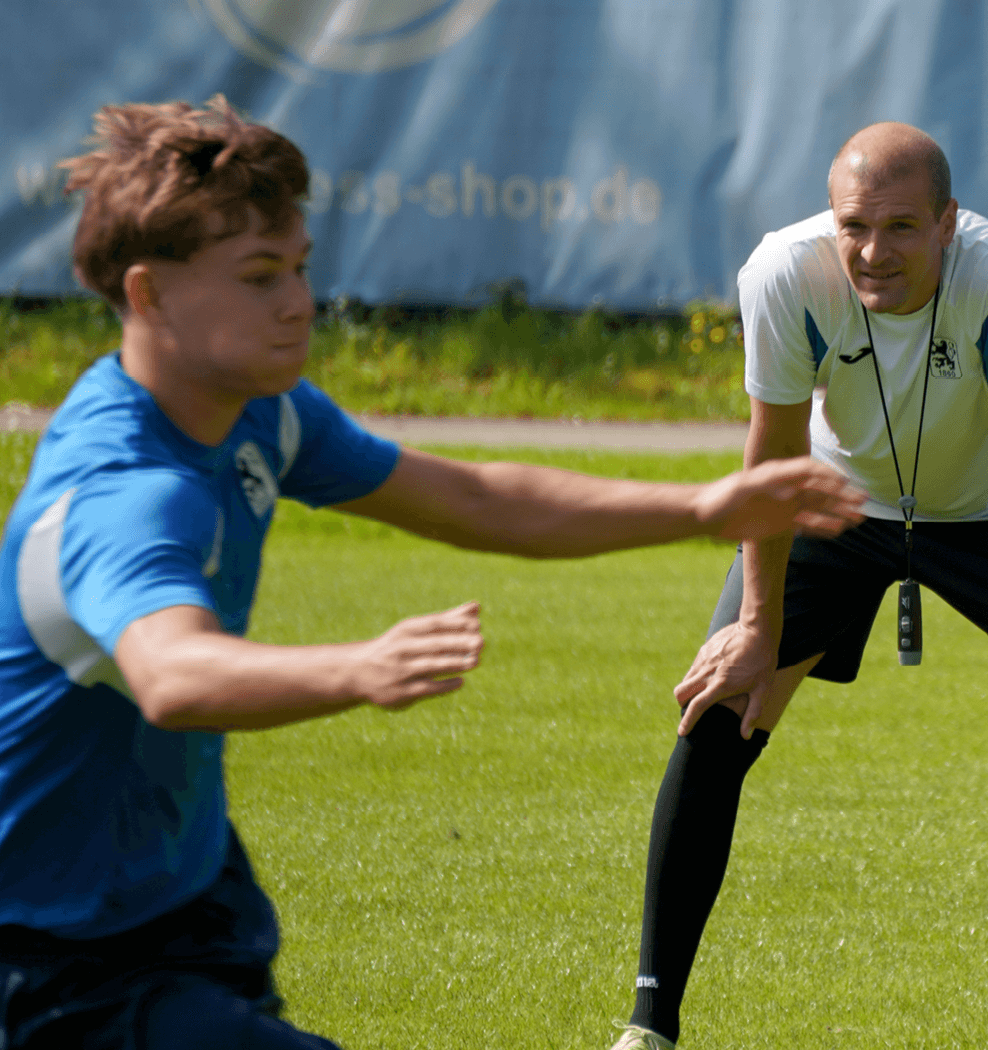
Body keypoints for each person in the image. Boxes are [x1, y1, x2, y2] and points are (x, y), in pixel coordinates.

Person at [0, 97, 866, 1050]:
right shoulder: (127, 490)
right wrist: (358, 668)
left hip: (180, 891)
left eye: (298, 267)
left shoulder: (261, 412)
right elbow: (172, 675)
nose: (298, 302)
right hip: (51, 951)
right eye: (258, 277)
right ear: (149, 293)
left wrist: (700, 509)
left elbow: (476, 499)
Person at [611, 122, 988, 1050]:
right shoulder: (783, 274)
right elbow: (773, 453)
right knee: (721, 709)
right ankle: (649, 1024)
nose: (875, 252)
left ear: (949, 223)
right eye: (856, 226)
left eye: (903, 227)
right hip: (836, 505)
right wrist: (757, 621)